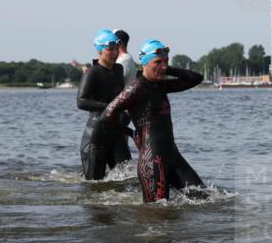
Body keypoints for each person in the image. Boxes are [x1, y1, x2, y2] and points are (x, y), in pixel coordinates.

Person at [103, 39, 204, 203]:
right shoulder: (136, 88)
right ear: (144, 63)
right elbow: (107, 114)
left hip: (173, 156)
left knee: (203, 198)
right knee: (155, 213)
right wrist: (132, 133)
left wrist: (165, 68)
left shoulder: (161, 85)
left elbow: (196, 78)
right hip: (152, 161)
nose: (163, 66)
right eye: (157, 62)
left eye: (166, 61)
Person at [77, 29, 131, 180]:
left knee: (126, 179)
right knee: (94, 184)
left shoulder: (119, 69)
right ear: (100, 51)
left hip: (116, 133)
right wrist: (110, 107)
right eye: (110, 49)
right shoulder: (92, 72)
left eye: (116, 49)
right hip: (95, 135)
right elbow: (81, 102)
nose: (114, 53)